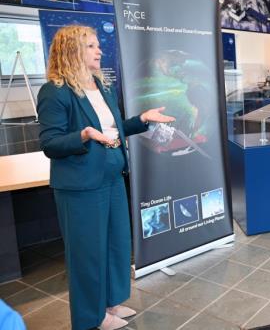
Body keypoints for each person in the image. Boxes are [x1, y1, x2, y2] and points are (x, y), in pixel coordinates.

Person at [37, 25, 175, 330]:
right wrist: (83, 135)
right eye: (91, 47)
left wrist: (141, 120)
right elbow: (49, 143)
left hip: (112, 178)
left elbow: (113, 129)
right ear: (71, 51)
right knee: (87, 254)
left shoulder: (102, 86)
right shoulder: (55, 91)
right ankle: (91, 316)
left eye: (98, 46)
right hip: (80, 187)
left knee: (115, 245)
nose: (99, 51)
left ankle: (111, 303)